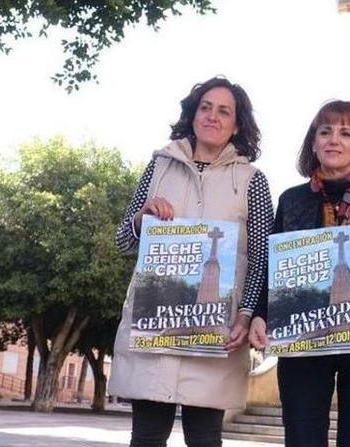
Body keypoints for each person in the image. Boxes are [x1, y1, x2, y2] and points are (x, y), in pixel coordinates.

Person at [109, 76, 274, 447]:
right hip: (155, 329)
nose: (213, 117)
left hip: (215, 330)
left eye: (224, 111)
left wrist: (246, 314)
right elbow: (122, 241)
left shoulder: (252, 180)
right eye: (206, 107)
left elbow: (263, 256)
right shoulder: (159, 167)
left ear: (237, 123)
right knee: (147, 437)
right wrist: (141, 220)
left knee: (204, 438)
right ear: (193, 114)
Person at [249, 100, 350, 447]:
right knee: (302, 438)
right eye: (325, 131)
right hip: (303, 342)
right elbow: (272, 266)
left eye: (346, 133)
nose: (334, 139)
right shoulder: (291, 201)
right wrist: (260, 314)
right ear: (313, 143)